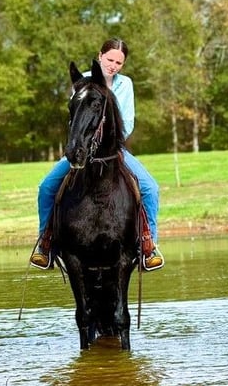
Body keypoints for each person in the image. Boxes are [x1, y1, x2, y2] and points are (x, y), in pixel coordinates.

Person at [30, 38, 164, 271]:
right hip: (83, 146)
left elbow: (128, 122)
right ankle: (46, 243)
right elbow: (77, 120)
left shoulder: (126, 85)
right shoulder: (82, 82)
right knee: (46, 187)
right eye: (110, 59)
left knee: (151, 188)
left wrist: (109, 140)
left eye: (119, 62)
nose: (113, 65)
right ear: (100, 56)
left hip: (114, 148)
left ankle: (148, 244)